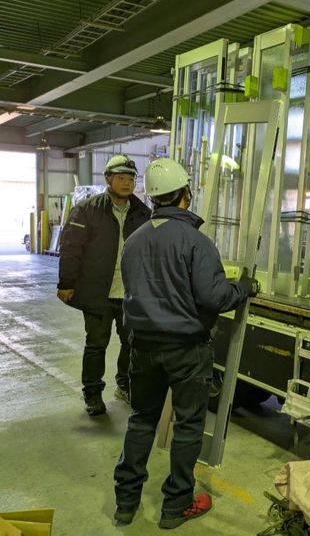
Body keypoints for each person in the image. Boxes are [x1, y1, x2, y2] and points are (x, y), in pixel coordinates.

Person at [113, 157, 259, 529]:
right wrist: (244, 288)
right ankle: (176, 504)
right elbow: (215, 297)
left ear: (154, 197)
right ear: (185, 195)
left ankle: (126, 502)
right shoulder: (196, 242)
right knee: (189, 426)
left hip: (142, 347)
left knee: (141, 421)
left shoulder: (133, 240)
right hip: (186, 349)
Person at [57, 154, 150, 416]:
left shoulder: (143, 213)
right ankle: (93, 393)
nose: (127, 182)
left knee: (131, 343)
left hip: (130, 293)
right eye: (121, 177)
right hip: (98, 292)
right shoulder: (87, 210)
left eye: (131, 178)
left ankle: (125, 384)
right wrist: (66, 283)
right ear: (108, 179)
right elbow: (71, 249)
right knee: (96, 344)